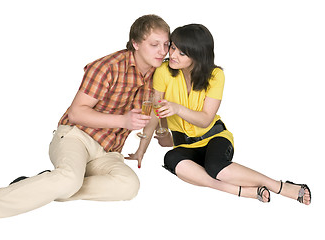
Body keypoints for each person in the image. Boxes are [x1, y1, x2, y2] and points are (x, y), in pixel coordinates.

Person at [0, 14, 170, 233]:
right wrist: (123, 121)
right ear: (135, 44)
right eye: (154, 45)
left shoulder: (160, 75)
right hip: (76, 137)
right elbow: (77, 113)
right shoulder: (108, 66)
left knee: (129, 186)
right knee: (69, 180)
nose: (162, 51)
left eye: (166, 44)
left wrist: (144, 148)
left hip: (108, 152)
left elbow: (158, 112)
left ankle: (43, 184)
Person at [129, 24, 311, 204]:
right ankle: (241, 191)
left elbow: (205, 119)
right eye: (173, 47)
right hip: (184, 145)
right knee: (171, 159)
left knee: (216, 167)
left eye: (181, 53)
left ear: (197, 55)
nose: (172, 55)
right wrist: (141, 150)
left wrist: (177, 109)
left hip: (213, 137)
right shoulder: (163, 72)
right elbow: (154, 113)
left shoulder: (215, 75)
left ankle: (279, 186)